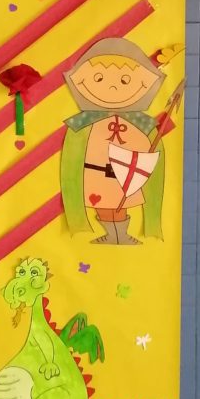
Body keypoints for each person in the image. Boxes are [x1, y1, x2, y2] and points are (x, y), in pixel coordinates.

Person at [60, 38, 166, 245]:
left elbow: (153, 150)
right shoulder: (83, 123)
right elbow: (72, 157)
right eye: (98, 78)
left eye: (125, 81)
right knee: (102, 203)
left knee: (121, 203)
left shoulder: (142, 124)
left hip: (129, 172)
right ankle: (112, 234)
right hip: (96, 173)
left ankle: (121, 234)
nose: (112, 87)